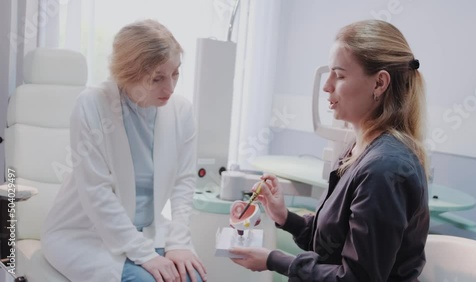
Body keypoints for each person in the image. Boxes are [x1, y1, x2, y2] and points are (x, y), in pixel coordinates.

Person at [230, 19, 430, 281]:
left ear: (379, 84)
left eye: (341, 75)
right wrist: (283, 216)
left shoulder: (385, 169)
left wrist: (274, 260)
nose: (327, 85)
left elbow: (357, 278)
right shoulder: (359, 150)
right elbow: (331, 244)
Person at [41, 19, 207, 282]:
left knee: (192, 278)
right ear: (127, 73)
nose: (170, 88)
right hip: (87, 233)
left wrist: (178, 243)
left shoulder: (181, 111)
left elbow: (183, 182)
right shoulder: (92, 105)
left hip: (150, 231)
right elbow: (97, 192)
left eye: (175, 73)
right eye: (157, 78)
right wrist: (145, 256)